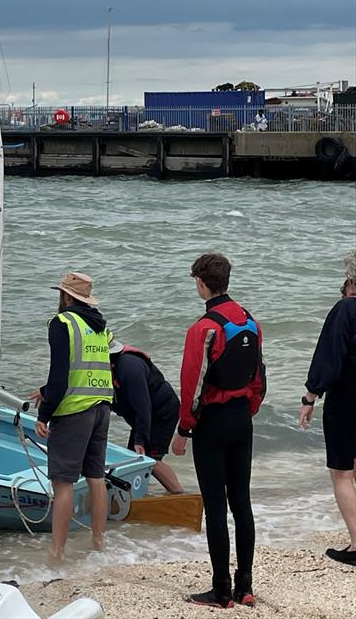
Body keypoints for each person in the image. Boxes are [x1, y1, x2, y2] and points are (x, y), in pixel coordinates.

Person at [171, 253, 266, 609]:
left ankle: (221, 591)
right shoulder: (250, 321)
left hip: (213, 422)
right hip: (242, 419)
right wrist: (248, 408)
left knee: (216, 506)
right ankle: (246, 586)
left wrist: (184, 429)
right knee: (242, 502)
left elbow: (192, 384)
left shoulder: (203, 329)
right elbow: (259, 375)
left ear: (200, 282)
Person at [27, 272, 114, 561]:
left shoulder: (62, 323)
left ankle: (57, 552)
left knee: (62, 483)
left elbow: (61, 375)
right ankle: (99, 544)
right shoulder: (100, 327)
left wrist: (44, 413)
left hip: (75, 410)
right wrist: (45, 389)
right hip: (102, 406)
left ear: (66, 296)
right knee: (96, 477)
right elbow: (86, 367)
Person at [299, 251, 356, 566]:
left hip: (347, 399)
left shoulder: (346, 310)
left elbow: (328, 359)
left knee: (342, 472)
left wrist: (310, 397)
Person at [109, 341, 183, 494]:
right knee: (132, 460)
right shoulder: (108, 371)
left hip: (162, 411)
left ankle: (181, 496)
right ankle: (136, 496)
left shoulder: (130, 367)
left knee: (149, 459)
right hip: (145, 415)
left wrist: (140, 439)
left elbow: (143, 406)